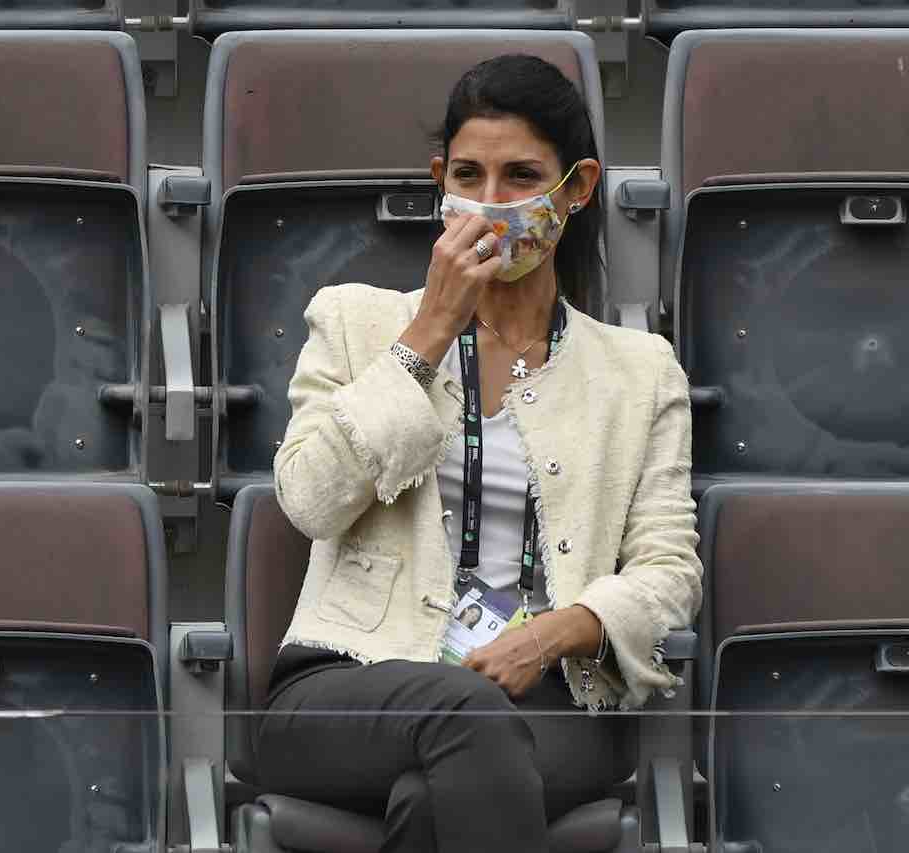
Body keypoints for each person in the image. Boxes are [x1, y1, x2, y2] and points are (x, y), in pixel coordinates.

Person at [258, 54, 703, 852]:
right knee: (464, 723)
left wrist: (556, 631)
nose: (491, 204)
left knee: (434, 799)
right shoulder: (355, 322)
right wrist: (425, 334)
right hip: (348, 684)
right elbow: (309, 500)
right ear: (440, 180)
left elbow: (669, 571)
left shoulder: (639, 371)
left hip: (547, 701)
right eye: (469, 175)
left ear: (578, 188)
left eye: (520, 176)